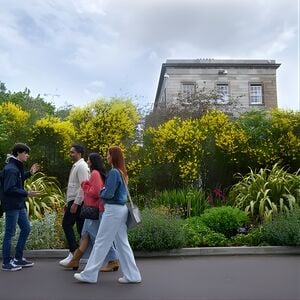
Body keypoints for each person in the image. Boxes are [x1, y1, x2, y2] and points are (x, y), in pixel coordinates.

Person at [74, 146, 141, 284]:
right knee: (122, 244)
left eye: (108, 154)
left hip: (113, 210)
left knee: (100, 242)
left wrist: (102, 192)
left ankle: (89, 274)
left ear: (113, 156)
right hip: (120, 210)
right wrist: (104, 190)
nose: (107, 157)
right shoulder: (121, 172)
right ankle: (133, 276)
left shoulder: (114, 173)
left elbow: (108, 193)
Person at [63, 153, 119, 271]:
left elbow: (96, 192)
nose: (87, 162)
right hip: (92, 209)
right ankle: (75, 260)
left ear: (93, 161)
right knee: (86, 235)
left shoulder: (94, 173)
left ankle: (113, 259)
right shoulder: (96, 173)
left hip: (93, 210)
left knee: (95, 236)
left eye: (88, 160)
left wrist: (84, 185)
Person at [1, 143, 40, 271]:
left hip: (19, 204)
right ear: (19, 153)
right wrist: (27, 193)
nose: (27, 155)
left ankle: (18, 258)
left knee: (26, 228)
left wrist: (30, 173)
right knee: (9, 233)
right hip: (12, 205)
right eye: (26, 153)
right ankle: (7, 262)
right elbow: (9, 188)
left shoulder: (15, 167)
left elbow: (19, 179)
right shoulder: (11, 169)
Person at [59, 144, 89, 267]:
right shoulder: (78, 165)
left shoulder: (81, 166)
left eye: (72, 152)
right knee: (82, 229)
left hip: (78, 202)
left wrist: (75, 203)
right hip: (75, 201)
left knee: (66, 224)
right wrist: (69, 202)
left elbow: (84, 186)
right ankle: (80, 257)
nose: (70, 154)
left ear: (79, 153)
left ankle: (73, 252)